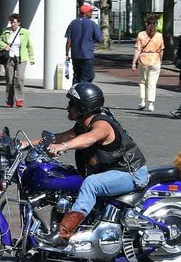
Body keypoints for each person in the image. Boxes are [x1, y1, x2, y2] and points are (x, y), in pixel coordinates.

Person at [37, 83, 148, 245]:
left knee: (91, 184)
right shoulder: (83, 125)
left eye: (71, 104)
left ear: (83, 106)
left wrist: (64, 147)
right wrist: (24, 143)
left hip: (130, 173)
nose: (68, 108)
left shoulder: (102, 124)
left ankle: (63, 234)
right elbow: (60, 137)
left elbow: (90, 138)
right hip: (111, 172)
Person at [0, 12, 35, 107]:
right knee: (9, 80)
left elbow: (29, 46)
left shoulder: (24, 32)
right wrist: (5, 46)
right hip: (9, 58)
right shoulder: (6, 31)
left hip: (21, 58)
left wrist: (32, 58)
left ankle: (19, 99)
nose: (13, 24)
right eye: (11, 22)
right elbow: (0, 41)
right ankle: (9, 101)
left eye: (14, 22)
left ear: (19, 23)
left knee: (19, 78)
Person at [132, 14, 164, 112]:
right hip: (155, 59)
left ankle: (142, 101)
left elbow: (138, 49)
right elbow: (161, 50)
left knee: (142, 81)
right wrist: (160, 61)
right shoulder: (159, 35)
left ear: (146, 24)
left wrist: (134, 62)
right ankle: (151, 103)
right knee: (152, 83)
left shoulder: (141, 35)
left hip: (143, 59)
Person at [64, 3, 102, 84]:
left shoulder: (73, 23)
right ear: (86, 12)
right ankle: (83, 90)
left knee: (77, 74)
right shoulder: (92, 24)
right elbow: (99, 39)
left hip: (75, 54)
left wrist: (67, 54)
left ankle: (75, 91)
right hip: (87, 55)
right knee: (89, 75)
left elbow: (68, 41)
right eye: (90, 11)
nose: (91, 13)